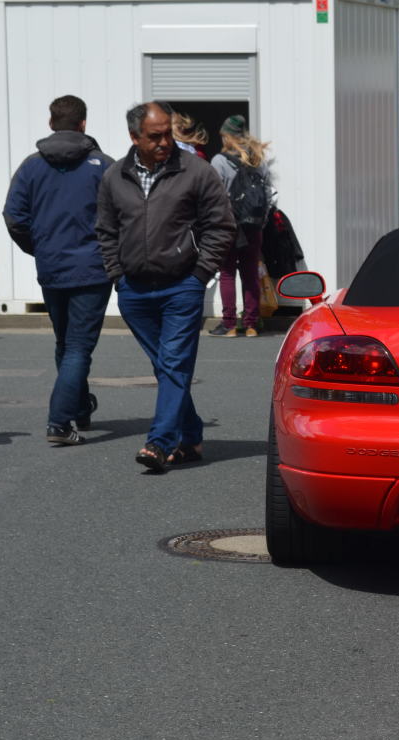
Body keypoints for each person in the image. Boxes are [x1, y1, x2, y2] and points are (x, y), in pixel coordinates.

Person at [96, 100, 235, 472]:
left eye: (167, 134)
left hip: (181, 287)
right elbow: (106, 231)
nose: (164, 142)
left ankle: (160, 442)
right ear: (134, 137)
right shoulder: (114, 176)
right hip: (134, 290)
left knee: (173, 364)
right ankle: (190, 435)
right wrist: (117, 276)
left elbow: (221, 227)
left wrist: (199, 276)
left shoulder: (197, 171)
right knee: (165, 366)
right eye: (154, 136)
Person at [4, 95, 114, 447]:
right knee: (78, 346)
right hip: (93, 269)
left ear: (51, 123)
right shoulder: (104, 166)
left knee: (66, 343)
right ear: (83, 123)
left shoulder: (31, 166)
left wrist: (39, 247)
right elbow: (123, 217)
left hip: (52, 266)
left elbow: (14, 217)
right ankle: (59, 421)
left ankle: (79, 407)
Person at [208, 114, 273, 337]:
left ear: (227, 136)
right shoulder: (258, 159)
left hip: (229, 225)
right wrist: (261, 222)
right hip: (253, 226)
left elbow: (214, 196)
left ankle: (229, 324)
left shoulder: (219, 161)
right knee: (250, 274)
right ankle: (252, 324)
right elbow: (267, 194)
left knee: (227, 273)